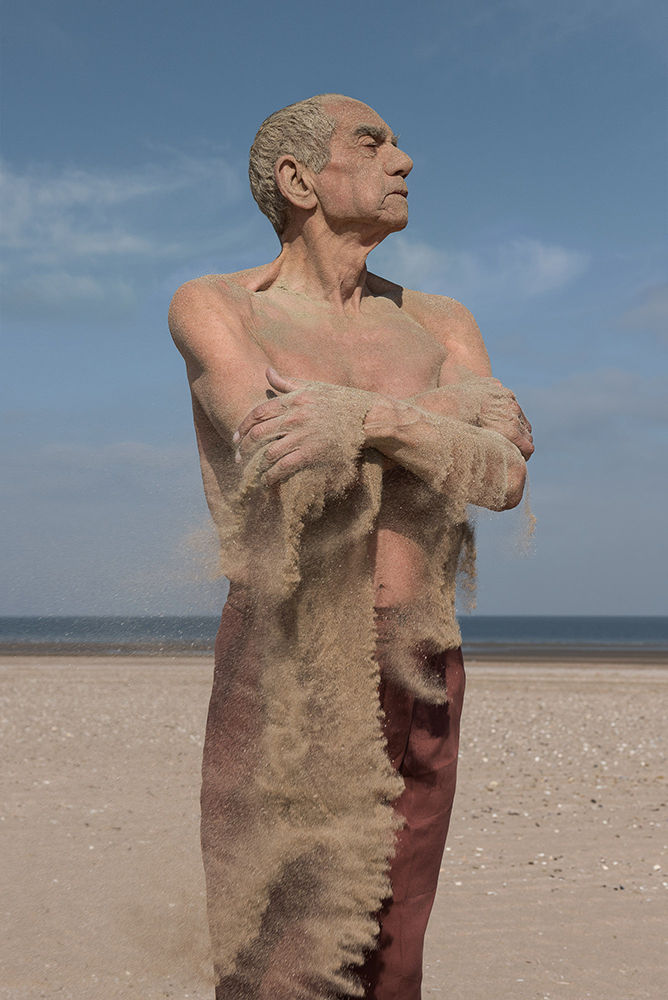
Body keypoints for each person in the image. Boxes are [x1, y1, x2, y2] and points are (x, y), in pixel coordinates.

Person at [169, 94, 534, 1000]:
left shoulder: (441, 320)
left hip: (422, 658)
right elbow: (277, 449)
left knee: (393, 953)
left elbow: (503, 476)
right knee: (279, 955)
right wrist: (449, 415)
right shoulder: (219, 305)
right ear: (298, 180)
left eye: (397, 144)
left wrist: (365, 417)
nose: (403, 161)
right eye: (371, 144)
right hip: (287, 657)